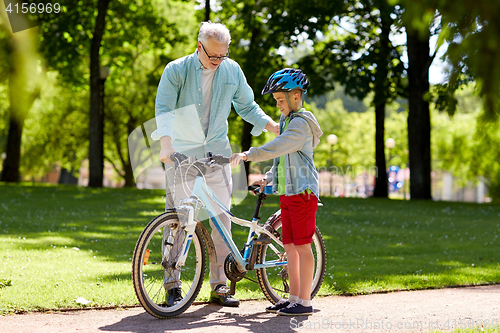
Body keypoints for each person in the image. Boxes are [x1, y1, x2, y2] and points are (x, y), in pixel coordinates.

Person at [151, 22, 279, 307]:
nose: (219, 61)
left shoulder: (231, 70)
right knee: (179, 221)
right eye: (213, 57)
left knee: (222, 222)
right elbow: (165, 109)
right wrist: (166, 144)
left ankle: (219, 285)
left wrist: (274, 128)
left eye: (223, 55)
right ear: (199, 48)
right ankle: (172, 285)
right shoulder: (176, 70)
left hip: (217, 153)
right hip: (182, 155)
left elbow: (247, 106)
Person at [230, 68, 323, 316]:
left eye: (281, 100)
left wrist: (249, 154)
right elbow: (282, 160)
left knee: (303, 247)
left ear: (295, 96)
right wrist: (268, 178)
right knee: (290, 247)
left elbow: (279, 146)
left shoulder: (301, 124)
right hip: (289, 192)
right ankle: (292, 298)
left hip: (303, 193)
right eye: (276, 101)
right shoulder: (286, 121)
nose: (278, 105)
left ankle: (304, 302)